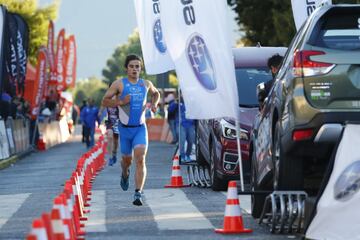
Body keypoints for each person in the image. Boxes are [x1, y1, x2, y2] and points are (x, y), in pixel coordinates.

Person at [102, 54, 160, 206]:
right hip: (125, 130)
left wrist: (154, 104)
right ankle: (125, 173)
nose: (135, 69)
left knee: (140, 159)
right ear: (126, 68)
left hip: (140, 129)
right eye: (132, 66)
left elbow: (156, 93)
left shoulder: (146, 84)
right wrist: (120, 101)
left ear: (141, 69)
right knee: (127, 161)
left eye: (137, 66)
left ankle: (138, 193)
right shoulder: (119, 84)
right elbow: (105, 101)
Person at [175, 96, 195, 163]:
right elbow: (171, 109)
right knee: (182, 141)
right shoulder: (179, 104)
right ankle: (182, 156)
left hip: (190, 125)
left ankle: (188, 155)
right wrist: (176, 103)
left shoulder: (192, 104)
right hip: (181, 125)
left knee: (191, 141)